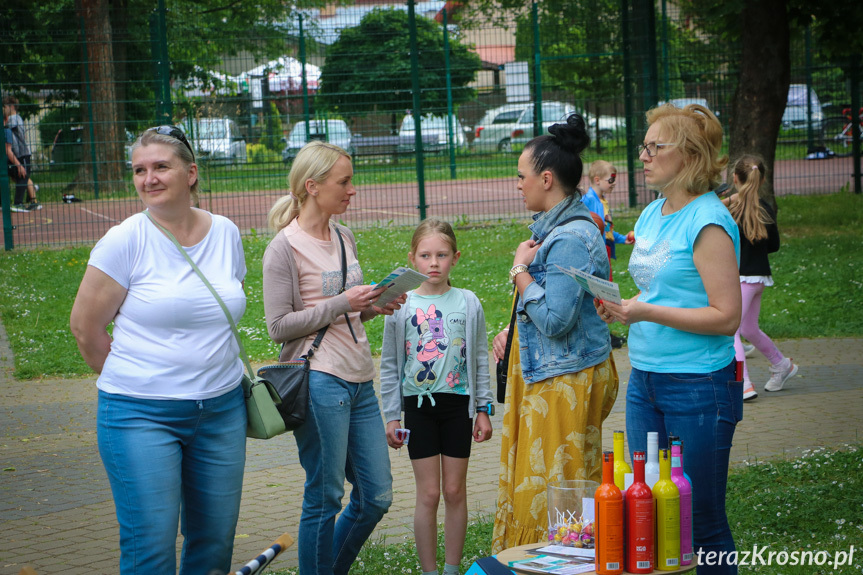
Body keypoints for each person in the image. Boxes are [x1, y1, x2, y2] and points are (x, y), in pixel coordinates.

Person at [69, 125, 248, 574]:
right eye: (139, 170)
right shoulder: (124, 240)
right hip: (140, 414)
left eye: (160, 167)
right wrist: (141, 379)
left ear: (190, 173)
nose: (148, 178)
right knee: (151, 546)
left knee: (213, 544)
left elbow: (221, 306)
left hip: (222, 410)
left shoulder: (225, 232)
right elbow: (86, 329)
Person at [596, 103, 742, 575]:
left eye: (655, 146)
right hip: (647, 381)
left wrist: (644, 311)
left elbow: (726, 317)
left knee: (701, 522)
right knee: (651, 513)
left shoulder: (709, 220)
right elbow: (662, 289)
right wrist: (622, 307)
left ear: (691, 155)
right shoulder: (654, 213)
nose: (643, 155)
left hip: (699, 385)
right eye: (644, 146)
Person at [262, 140, 404, 575]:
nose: (352, 190)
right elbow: (278, 327)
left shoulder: (344, 236)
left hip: (360, 378)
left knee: (376, 495)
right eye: (344, 182)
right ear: (312, 186)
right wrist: (342, 302)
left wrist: (370, 306)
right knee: (324, 497)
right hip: (319, 380)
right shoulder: (283, 249)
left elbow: (346, 308)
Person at [490, 114, 619, 553]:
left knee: (559, 490)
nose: (518, 185)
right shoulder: (553, 229)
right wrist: (513, 329)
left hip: (566, 379)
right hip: (550, 372)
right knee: (544, 482)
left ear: (546, 178)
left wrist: (520, 272)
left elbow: (556, 320)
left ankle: (561, 557)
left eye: (521, 176)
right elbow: (551, 313)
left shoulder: (570, 238)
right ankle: (540, 555)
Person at [380, 219, 494, 575]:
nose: (434, 263)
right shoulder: (400, 304)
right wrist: (391, 416)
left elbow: (478, 359)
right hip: (418, 408)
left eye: (441, 255)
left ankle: (451, 568)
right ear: (412, 258)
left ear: (455, 258)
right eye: (426, 255)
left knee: (455, 491)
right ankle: (429, 571)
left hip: (458, 407)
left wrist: (483, 409)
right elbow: (388, 365)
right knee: (429, 494)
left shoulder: (468, 302)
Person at [724, 154, 798, 400]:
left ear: (734, 178)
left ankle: (743, 384)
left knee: (732, 330)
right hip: (759, 278)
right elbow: (774, 245)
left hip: (742, 279)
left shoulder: (732, 208)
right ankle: (782, 365)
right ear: (762, 178)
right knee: (749, 328)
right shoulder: (764, 206)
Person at [583, 160, 634, 348]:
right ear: (597, 180)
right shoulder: (587, 200)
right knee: (600, 291)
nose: (613, 184)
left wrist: (622, 239)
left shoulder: (602, 201)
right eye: (610, 180)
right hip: (596, 252)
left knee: (605, 289)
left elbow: (608, 230)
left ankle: (605, 330)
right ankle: (601, 331)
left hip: (605, 251)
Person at [3, 96, 41, 211]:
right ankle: (32, 194)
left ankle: (19, 202)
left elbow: (5, 126)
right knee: (19, 175)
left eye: (4, 107)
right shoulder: (12, 119)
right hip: (15, 154)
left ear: (12, 107)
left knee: (22, 175)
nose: (3, 110)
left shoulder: (15, 118)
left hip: (22, 153)